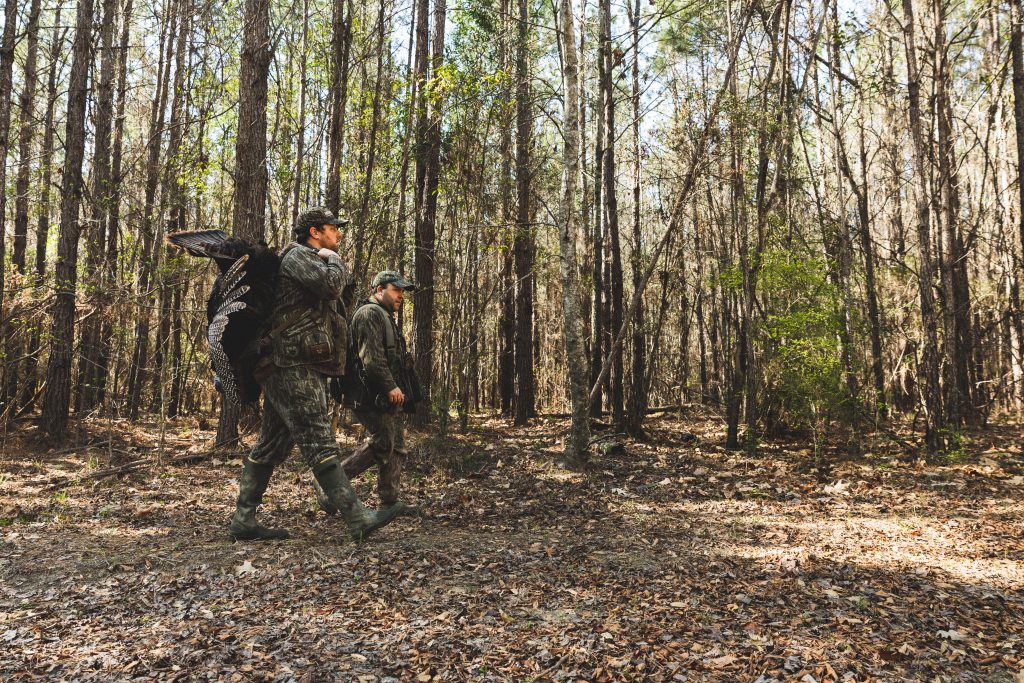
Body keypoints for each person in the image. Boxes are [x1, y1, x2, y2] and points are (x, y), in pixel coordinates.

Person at [228, 208, 404, 542]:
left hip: (291, 364)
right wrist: (333, 259)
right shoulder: (297, 257)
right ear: (314, 232)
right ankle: (356, 516)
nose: (338, 234)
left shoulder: (309, 258)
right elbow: (331, 286)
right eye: (332, 229)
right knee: (319, 435)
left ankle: (243, 520)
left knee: (271, 445)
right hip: (288, 364)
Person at [317, 271, 422, 517]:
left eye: (403, 291)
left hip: (383, 394)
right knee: (383, 442)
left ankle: (389, 502)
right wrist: (390, 386)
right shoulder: (368, 314)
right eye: (396, 290)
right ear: (379, 290)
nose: (401, 296)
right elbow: (372, 359)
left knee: (396, 447)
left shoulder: (384, 316)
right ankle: (328, 487)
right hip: (368, 394)